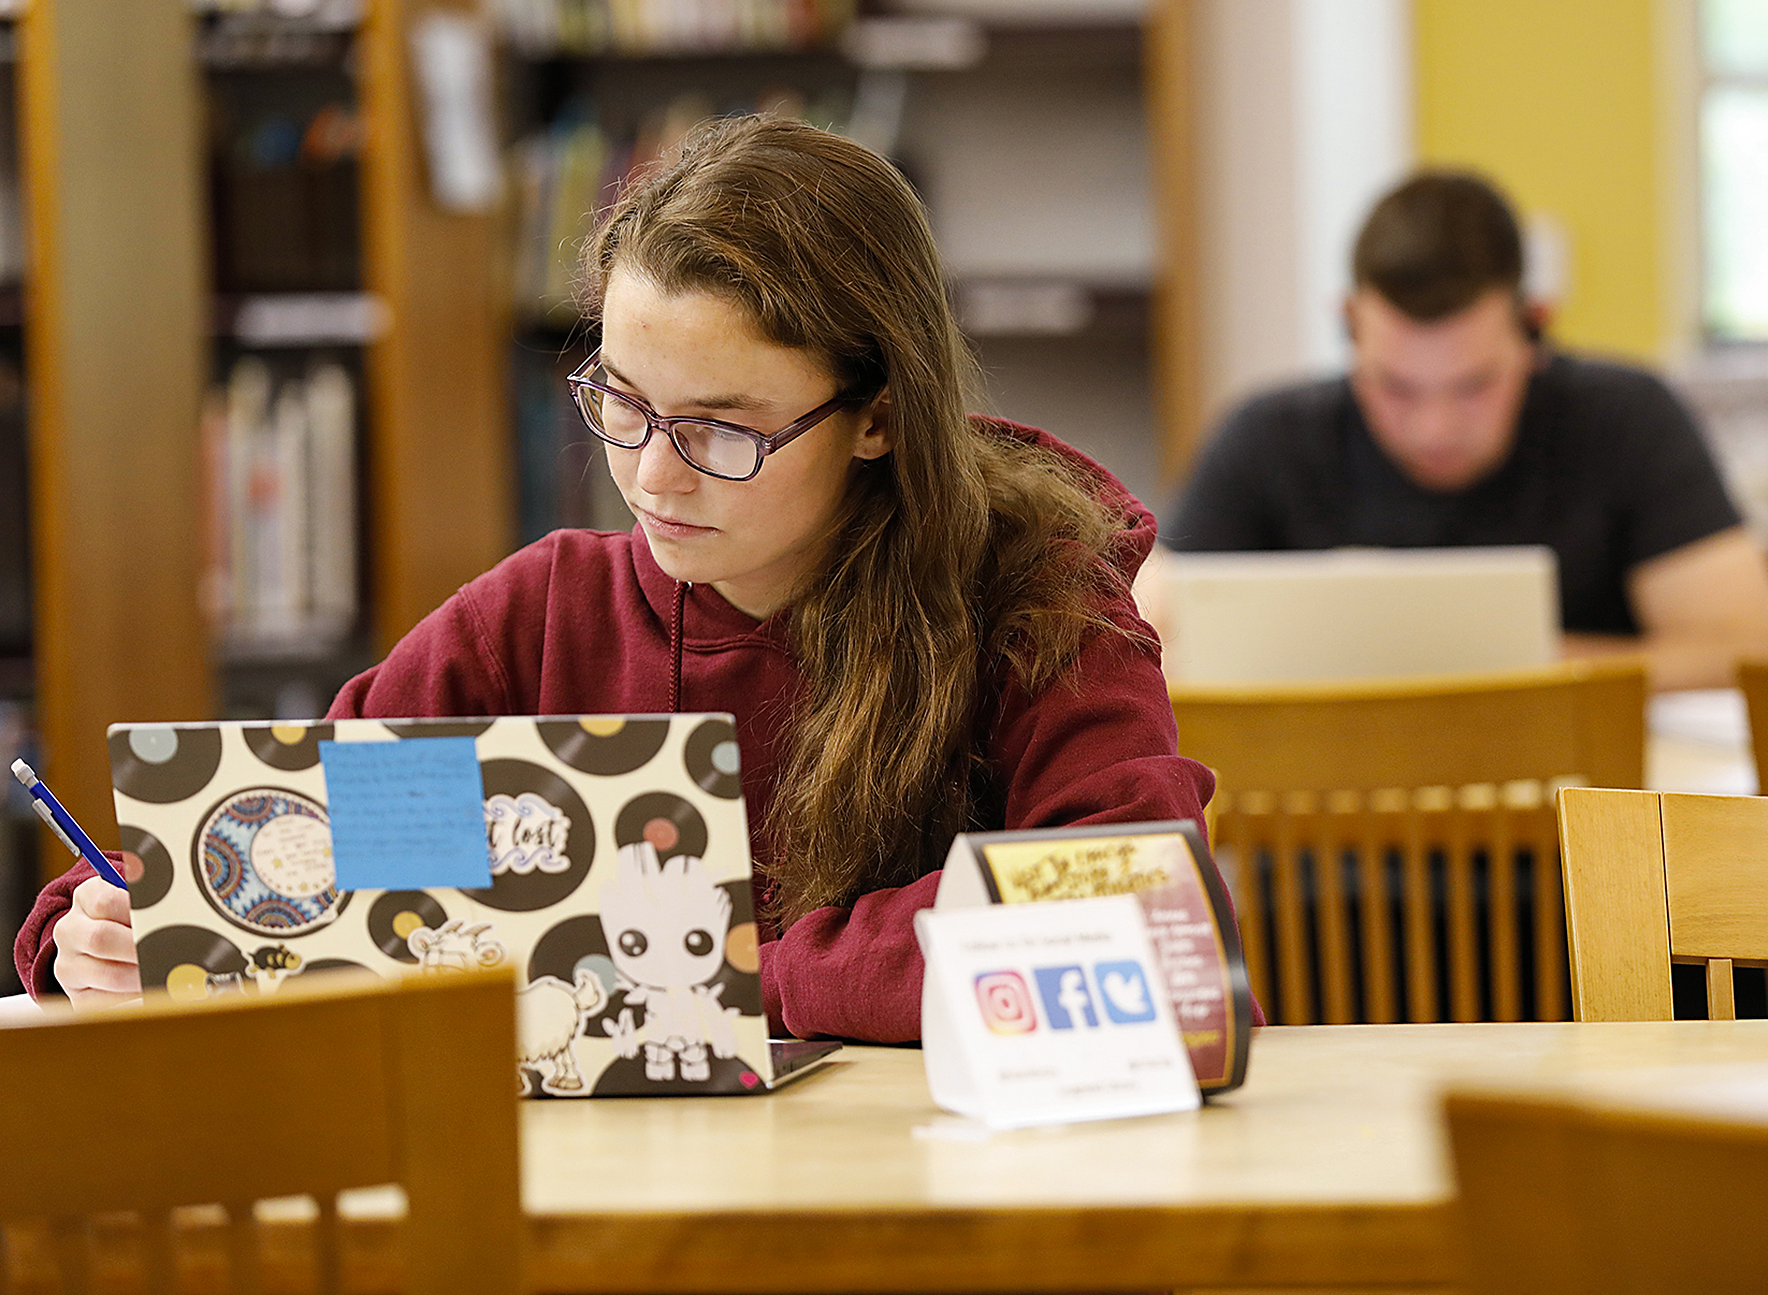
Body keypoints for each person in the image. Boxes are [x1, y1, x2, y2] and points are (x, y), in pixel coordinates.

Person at [18, 114, 1241, 1041]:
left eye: (720, 428)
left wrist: (705, 975)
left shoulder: (1036, 604)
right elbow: (292, 840)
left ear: (877, 416)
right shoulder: (542, 619)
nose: (654, 476)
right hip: (615, 1219)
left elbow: (1132, 921)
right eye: (622, 403)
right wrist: (104, 928)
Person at [1165, 169, 1768, 692]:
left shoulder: (1628, 418)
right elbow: (1150, 650)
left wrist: (1489, 677)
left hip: (1579, 827)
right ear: (1350, 324)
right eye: (1397, 387)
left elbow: (1746, 647)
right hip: (1314, 831)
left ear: (1535, 325)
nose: (1435, 428)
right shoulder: (1266, 441)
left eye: (1474, 386)